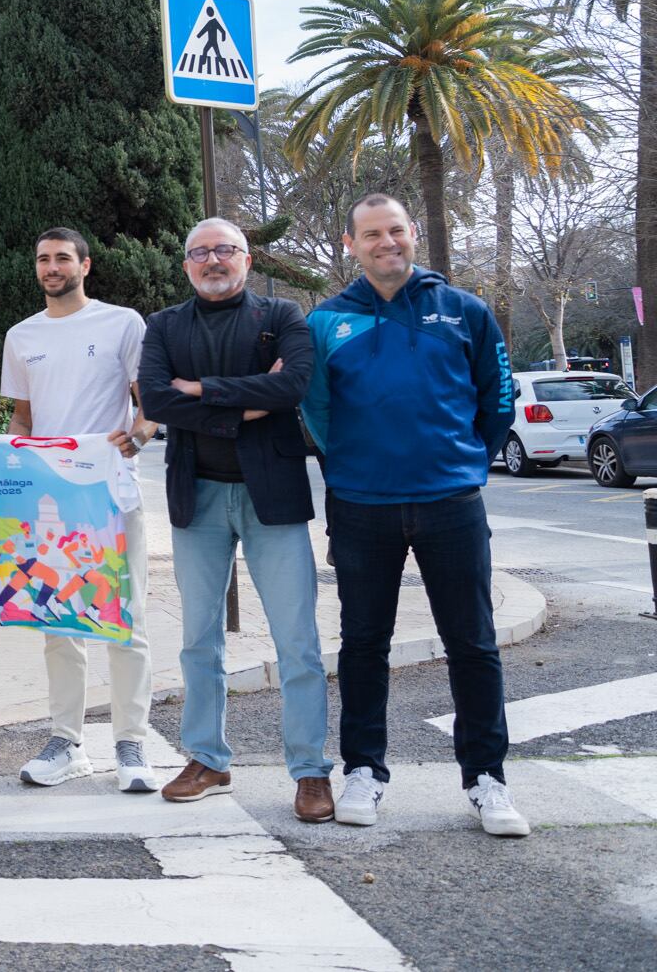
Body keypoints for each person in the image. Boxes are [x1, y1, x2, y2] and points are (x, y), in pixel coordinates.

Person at [304, 194, 526, 837]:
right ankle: (364, 773)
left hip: (450, 503)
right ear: (351, 244)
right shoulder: (328, 321)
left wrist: (463, 464)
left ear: (412, 235)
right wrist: (349, 465)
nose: (386, 243)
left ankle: (488, 779)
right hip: (361, 506)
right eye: (371, 234)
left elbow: (498, 400)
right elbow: (315, 411)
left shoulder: (464, 311)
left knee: (473, 643)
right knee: (364, 645)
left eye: (395, 230)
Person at [139, 220, 334, 822]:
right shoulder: (165, 325)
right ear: (187, 266)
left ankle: (309, 770)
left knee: (297, 641)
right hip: (196, 498)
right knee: (199, 639)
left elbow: (294, 386)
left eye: (225, 250)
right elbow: (156, 399)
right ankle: (207, 758)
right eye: (200, 252)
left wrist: (199, 390)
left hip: (269, 496)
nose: (213, 260)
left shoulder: (283, 315)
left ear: (246, 260)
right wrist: (246, 402)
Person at [0, 227, 159, 793]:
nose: (52, 267)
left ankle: (131, 742)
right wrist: (14, 455)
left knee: (124, 618)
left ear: (85, 266)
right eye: (43, 259)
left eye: (63, 258)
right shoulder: (21, 336)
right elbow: (23, 418)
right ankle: (67, 742)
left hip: (112, 493)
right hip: (49, 501)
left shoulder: (123, 323)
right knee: (58, 623)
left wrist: (136, 439)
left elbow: (149, 407)